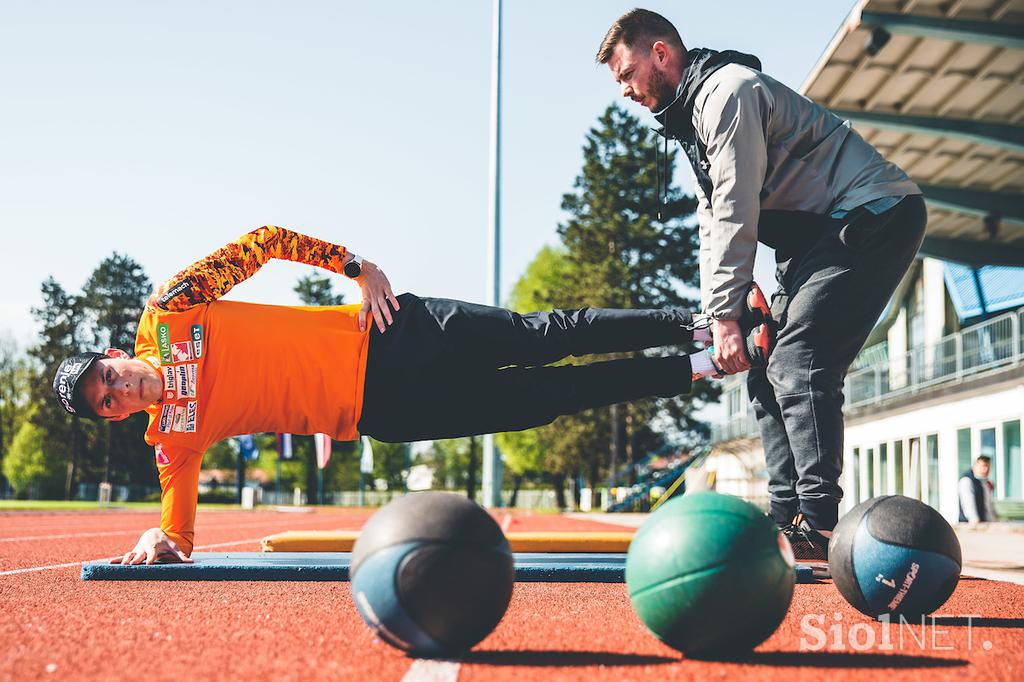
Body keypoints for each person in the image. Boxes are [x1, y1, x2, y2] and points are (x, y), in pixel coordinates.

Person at [53, 225, 772, 565]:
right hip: (385, 412)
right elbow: (177, 539)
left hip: (392, 331)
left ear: (116, 354)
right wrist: (159, 539)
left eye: (106, 376)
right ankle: (707, 366)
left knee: (541, 334)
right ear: (113, 418)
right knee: (548, 399)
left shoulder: (170, 308)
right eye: (104, 402)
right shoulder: (170, 440)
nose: (115, 391)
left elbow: (263, 242)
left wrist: (355, 267)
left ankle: (702, 320)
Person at [596, 9, 927, 572]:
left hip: (874, 213)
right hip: (819, 238)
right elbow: (712, 219)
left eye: (627, 74)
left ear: (659, 54)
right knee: (765, 365)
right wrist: (728, 304)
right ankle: (784, 521)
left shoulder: (727, 93)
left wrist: (725, 314)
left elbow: (734, 205)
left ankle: (820, 525)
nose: (624, 91)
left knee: (799, 364)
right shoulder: (693, 118)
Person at [959, 455, 999, 526]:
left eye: (988, 466)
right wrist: (974, 520)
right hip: (971, 525)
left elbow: (989, 505)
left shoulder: (985, 482)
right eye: (983, 466)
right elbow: (968, 503)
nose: (986, 469)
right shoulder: (967, 481)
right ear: (975, 466)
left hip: (985, 524)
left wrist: (995, 519)